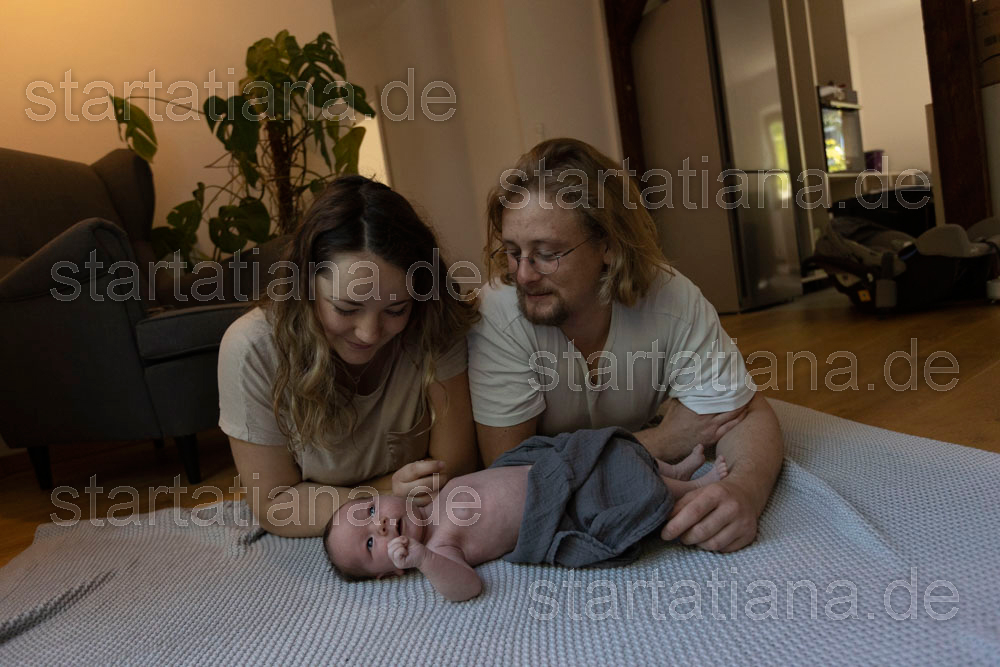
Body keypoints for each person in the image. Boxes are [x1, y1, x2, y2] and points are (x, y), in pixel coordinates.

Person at [467, 138, 783, 553]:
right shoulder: (498, 314)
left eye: (547, 253)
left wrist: (744, 491)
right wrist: (664, 440)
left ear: (609, 245)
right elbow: (511, 475)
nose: (523, 274)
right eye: (513, 252)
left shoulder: (673, 298)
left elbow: (744, 413)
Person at [218, 175, 480, 537]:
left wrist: (339, 500)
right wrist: (387, 492)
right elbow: (275, 506)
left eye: (395, 309)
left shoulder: (433, 320)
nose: (369, 333)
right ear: (305, 286)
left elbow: (454, 471)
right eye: (346, 308)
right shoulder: (252, 348)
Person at [324, 428, 728, 601]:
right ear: (390, 572)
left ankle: (674, 471)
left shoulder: (430, 499)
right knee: (619, 486)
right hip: (560, 506)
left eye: (370, 510)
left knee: (613, 451)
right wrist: (423, 558)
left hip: (555, 467)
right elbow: (466, 588)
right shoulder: (440, 546)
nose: (379, 524)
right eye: (370, 542)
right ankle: (692, 489)